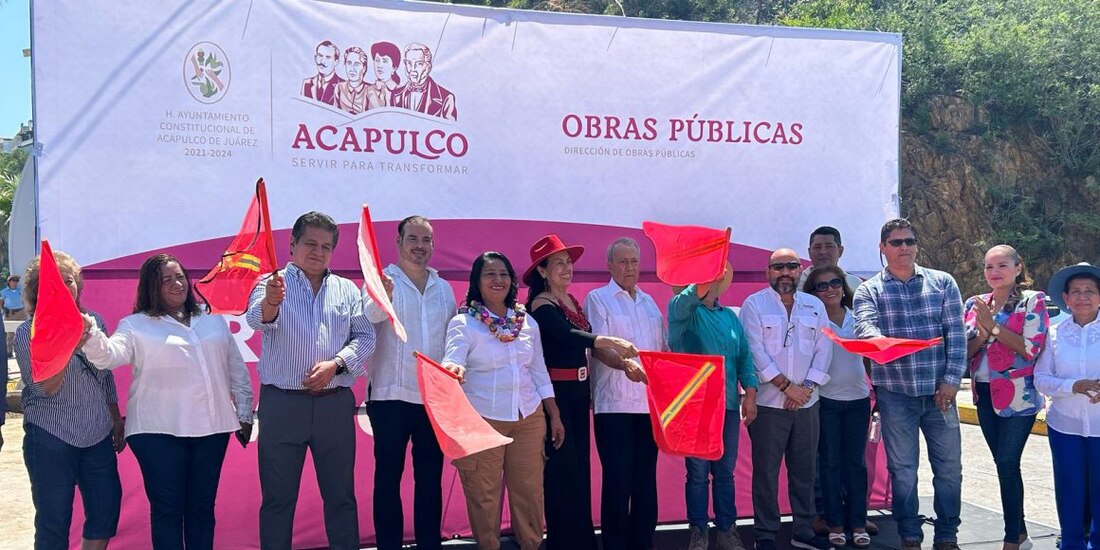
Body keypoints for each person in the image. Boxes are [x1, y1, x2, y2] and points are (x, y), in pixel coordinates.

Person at [81, 253, 252, 550]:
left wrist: (246, 411)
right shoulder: (135, 325)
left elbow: (235, 367)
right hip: (155, 432)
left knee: (201, 508)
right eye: (165, 280)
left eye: (180, 276)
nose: (176, 284)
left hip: (212, 430)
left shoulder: (211, 320)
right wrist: (89, 334)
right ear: (151, 288)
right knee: (168, 510)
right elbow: (108, 356)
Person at [246, 211, 375, 550]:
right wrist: (272, 302)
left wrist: (336, 364)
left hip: (333, 406)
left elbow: (365, 338)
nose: (318, 252)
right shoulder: (271, 283)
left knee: (341, 498)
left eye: (326, 246)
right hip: (282, 405)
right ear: (292, 245)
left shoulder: (347, 289)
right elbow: (257, 318)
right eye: (310, 244)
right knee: (277, 500)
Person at [853, 218, 965, 550]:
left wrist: (950, 382)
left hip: (939, 394)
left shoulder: (943, 282)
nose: (905, 248)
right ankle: (909, 534)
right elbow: (864, 328)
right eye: (897, 242)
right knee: (903, 471)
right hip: (895, 394)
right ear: (882, 248)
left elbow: (956, 337)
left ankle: (947, 534)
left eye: (910, 241)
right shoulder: (868, 289)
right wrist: (881, 342)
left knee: (949, 469)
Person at [523, 234, 638, 550]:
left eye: (568, 261)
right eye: (557, 263)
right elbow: (567, 335)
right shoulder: (540, 305)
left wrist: (622, 363)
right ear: (543, 271)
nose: (566, 267)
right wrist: (602, 340)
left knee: (580, 474)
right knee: (562, 476)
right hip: (555, 397)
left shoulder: (571, 301)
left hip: (578, 395)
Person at [442, 251, 564, 550]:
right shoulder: (463, 323)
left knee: (530, 493)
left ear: (512, 281)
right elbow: (452, 359)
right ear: (477, 281)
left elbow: (537, 370)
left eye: (503, 274)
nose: (498, 280)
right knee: (484, 496)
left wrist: (554, 414)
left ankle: (532, 545)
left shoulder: (527, 322)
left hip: (528, 417)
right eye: (490, 274)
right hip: (482, 419)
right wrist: (452, 369)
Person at [17, 250, 124, 550]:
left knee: (105, 512)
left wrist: (116, 419)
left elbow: (104, 374)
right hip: (50, 438)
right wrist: (68, 342)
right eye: (57, 283)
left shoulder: (95, 322)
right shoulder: (29, 332)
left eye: (70, 281)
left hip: (98, 435)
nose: (67, 288)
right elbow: (43, 389)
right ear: (40, 291)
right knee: (54, 522)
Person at [364, 215, 456, 550]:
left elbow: (452, 341)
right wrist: (381, 297)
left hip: (433, 400)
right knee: (388, 480)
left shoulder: (443, 288)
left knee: (429, 481)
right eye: (413, 239)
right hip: (390, 397)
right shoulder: (382, 279)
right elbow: (368, 320)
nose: (420, 246)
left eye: (426, 240)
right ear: (399, 242)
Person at [741, 249, 832, 550]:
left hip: (807, 403)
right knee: (766, 474)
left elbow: (824, 349)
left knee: (805, 471)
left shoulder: (815, 305)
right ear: (768, 271)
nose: (785, 272)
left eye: (791, 266)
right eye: (778, 266)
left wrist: (804, 388)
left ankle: (803, 530)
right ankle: (765, 535)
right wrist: (785, 387)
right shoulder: (754, 305)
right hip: (768, 405)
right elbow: (754, 351)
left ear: (800, 270)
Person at [668, 260, 759, 550]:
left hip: (729, 405)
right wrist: (702, 278)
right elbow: (683, 303)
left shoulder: (730, 317)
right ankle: (698, 531)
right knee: (696, 473)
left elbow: (744, 356)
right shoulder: (681, 311)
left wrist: (751, 395)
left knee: (725, 472)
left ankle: (727, 530)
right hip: (695, 406)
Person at [964, 245, 1049, 550]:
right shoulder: (975, 304)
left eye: (1002, 265)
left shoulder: (1031, 301)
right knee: (1003, 465)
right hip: (984, 394)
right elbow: (966, 355)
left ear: (1017, 268)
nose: (995, 272)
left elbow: (1031, 349)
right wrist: (983, 333)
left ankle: (1011, 538)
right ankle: (1021, 532)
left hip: (1018, 397)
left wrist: (994, 327)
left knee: (1007, 460)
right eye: (989, 267)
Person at [585, 238, 665, 550]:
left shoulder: (649, 303)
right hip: (614, 406)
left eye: (634, 261)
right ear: (610, 265)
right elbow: (600, 348)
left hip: (648, 406)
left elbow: (661, 351)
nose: (630, 267)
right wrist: (625, 366)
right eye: (623, 262)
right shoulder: (599, 298)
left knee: (645, 483)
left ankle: (643, 544)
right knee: (617, 484)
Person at [802, 266, 871, 549]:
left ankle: (858, 522)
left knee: (856, 464)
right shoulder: (812, 321)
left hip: (859, 401)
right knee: (830, 465)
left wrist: (875, 387)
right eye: (822, 285)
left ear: (843, 287)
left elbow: (871, 355)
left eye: (835, 283)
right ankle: (835, 523)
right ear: (813, 293)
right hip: (826, 402)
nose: (830, 288)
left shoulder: (860, 319)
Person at [1035, 262, 1100, 550]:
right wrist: (1072, 386)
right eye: (1076, 291)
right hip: (1065, 427)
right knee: (1070, 490)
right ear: (1065, 298)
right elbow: (1040, 379)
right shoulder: (1053, 334)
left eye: (1089, 291)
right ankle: (1072, 544)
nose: (1082, 297)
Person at [391, 43, 457, 120]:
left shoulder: (446, 98)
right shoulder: (396, 94)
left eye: (419, 64)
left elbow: (451, 129)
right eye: (409, 63)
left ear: (428, 67)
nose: (412, 69)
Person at [797, 227, 863, 291]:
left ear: (840, 251)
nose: (823, 252)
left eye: (829, 247)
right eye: (817, 247)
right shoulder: (796, 284)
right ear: (809, 252)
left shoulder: (855, 284)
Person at [301, 40, 343, 105]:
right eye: (320, 56)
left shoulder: (343, 86)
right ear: (315, 58)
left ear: (336, 62)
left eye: (328, 57)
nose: (322, 61)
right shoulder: (307, 84)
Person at [366, 41, 401, 110]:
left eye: (384, 61)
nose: (379, 65)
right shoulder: (368, 90)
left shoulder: (400, 92)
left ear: (394, 68)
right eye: (377, 60)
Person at [335, 46, 369, 115]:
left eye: (356, 64)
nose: (352, 69)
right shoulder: (339, 88)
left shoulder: (370, 90)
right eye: (349, 63)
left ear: (364, 68)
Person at [2, 274, 27, 355]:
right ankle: (9, 352)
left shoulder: (21, 290)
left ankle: (23, 351)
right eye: (13, 280)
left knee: (23, 332)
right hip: (9, 313)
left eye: (17, 280)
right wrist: (4, 309)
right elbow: (1, 302)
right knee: (10, 334)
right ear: (9, 282)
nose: (15, 282)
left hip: (21, 312)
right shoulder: (4, 292)